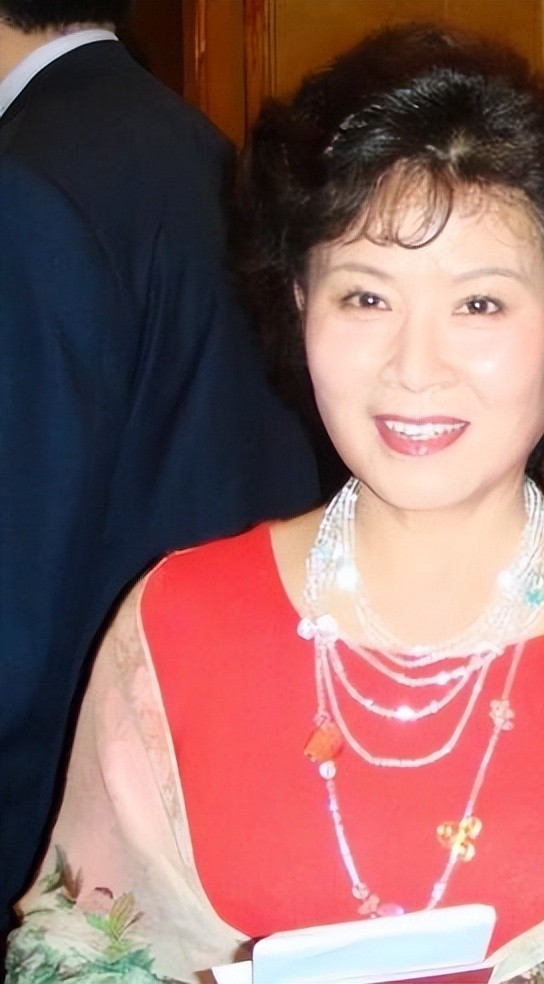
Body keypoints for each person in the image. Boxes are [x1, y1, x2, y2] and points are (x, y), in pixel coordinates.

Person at [6, 26, 544, 984]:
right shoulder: (173, 624)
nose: (414, 366)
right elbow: (73, 950)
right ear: (302, 307)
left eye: (479, 305)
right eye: (365, 298)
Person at [0, 0, 319, 940]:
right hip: (224, 743)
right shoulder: (202, 147)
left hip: (63, 805)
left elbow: (15, 584)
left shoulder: (26, 180)